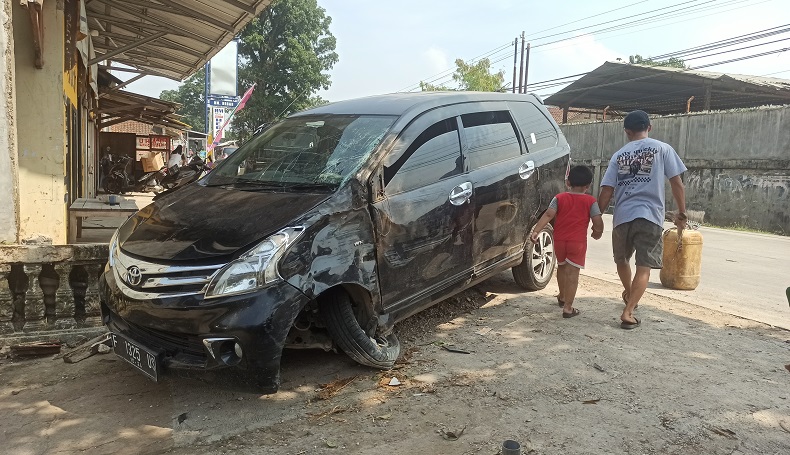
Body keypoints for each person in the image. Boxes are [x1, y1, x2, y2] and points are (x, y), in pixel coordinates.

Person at [597, 110, 688, 330]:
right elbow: (677, 183)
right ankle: (628, 310)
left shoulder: (618, 155)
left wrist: (596, 216)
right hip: (650, 216)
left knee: (621, 260)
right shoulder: (663, 149)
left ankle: (629, 293)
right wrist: (681, 213)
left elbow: (607, 189)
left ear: (627, 131)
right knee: (644, 267)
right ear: (650, 126)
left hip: (623, 216)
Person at [530, 165, 604, 318]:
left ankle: (562, 296)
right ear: (588, 186)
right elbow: (597, 219)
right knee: (573, 273)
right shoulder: (591, 201)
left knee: (562, 267)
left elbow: (549, 214)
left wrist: (536, 231)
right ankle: (568, 307)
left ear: (568, 183)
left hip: (559, 240)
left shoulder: (559, 198)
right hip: (577, 242)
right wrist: (598, 231)